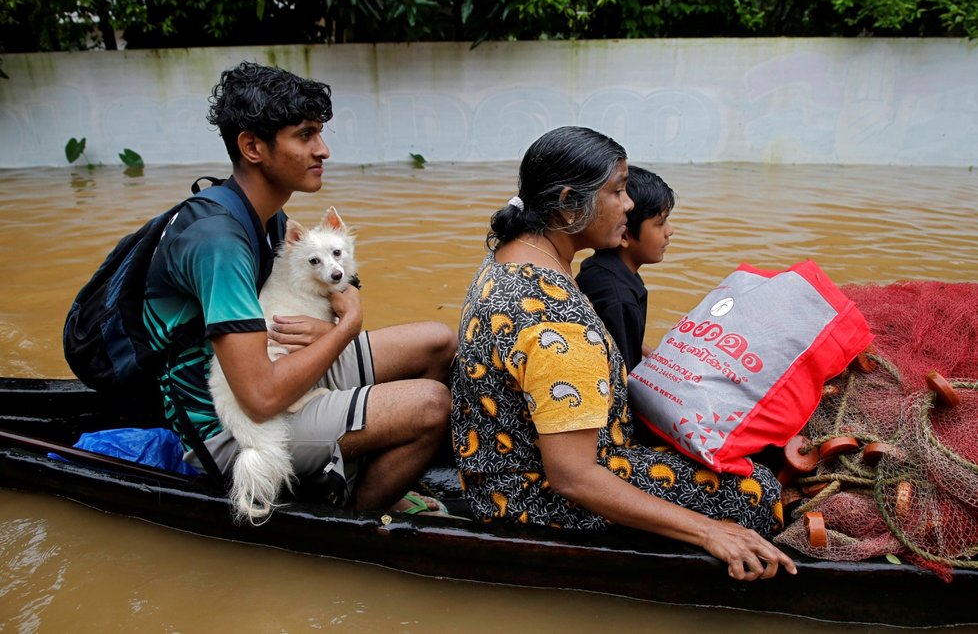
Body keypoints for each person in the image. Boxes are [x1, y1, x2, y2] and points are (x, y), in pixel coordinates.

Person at [450, 126, 796, 580]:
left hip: (496, 467)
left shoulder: (508, 255)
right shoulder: (556, 321)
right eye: (617, 191)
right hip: (526, 496)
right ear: (571, 202)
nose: (629, 204)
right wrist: (707, 531)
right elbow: (572, 477)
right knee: (756, 491)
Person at [143, 61, 456, 514]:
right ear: (252, 146)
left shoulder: (269, 218)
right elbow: (260, 397)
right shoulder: (218, 242)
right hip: (234, 428)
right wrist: (344, 330)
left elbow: (333, 281)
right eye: (306, 135)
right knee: (431, 404)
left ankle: (374, 468)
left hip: (272, 365)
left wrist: (333, 323)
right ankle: (357, 510)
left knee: (437, 342)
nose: (323, 150)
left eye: (320, 134)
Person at [576, 165, 675, 372]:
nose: (669, 231)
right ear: (624, 235)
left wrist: (649, 354)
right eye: (660, 222)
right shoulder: (619, 298)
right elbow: (624, 375)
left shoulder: (598, 268)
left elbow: (617, 336)